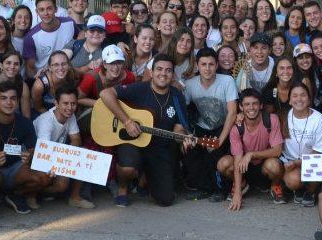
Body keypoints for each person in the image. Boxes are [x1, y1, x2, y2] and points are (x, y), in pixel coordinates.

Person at [99, 54, 195, 207]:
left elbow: (179, 130)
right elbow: (105, 94)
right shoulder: (140, 89)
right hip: (133, 142)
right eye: (159, 69)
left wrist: (183, 139)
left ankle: (145, 178)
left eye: (168, 70)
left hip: (160, 149)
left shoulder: (177, 97)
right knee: (128, 168)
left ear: (173, 74)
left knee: (166, 199)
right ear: (151, 72)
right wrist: (127, 121)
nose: (163, 74)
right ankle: (123, 187)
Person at [182, 48, 238, 200]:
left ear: (217, 65)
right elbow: (184, 111)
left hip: (223, 127)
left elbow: (232, 112)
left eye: (211, 64)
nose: (207, 68)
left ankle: (220, 189)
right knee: (189, 151)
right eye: (203, 64)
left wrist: (220, 140)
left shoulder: (227, 81)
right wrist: (188, 134)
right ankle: (203, 188)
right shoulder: (190, 84)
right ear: (197, 66)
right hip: (201, 127)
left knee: (216, 158)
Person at [218, 88, 285, 207]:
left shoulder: (271, 120)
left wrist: (251, 154)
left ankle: (275, 185)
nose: (251, 108)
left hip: (264, 165)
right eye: (247, 104)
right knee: (223, 164)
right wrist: (237, 193)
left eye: (255, 103)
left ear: (261, 105)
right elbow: (238, 158)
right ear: (241, 107)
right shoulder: (236, 127)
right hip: (244, 166)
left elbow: (277, 150)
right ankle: (240, 184)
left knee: (275, 166)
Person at [0, 82, 45, 214]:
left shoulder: (25, 122)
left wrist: (29, 156)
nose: (9, 102)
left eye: (13, 98)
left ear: (18, 101)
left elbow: (32, 148)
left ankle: (15, 194)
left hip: (16, 168)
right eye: (3, 98)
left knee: (42, 177)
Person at [280, 82, 322, 207]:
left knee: (318, 166)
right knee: (293, 180)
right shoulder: (284, 116)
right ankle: (298, 188)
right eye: (295, 96)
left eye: (303, 95)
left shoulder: (318, 119)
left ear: (309, 99)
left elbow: (318, 151)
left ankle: (311, 191)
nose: (299, 99)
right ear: (289, 100)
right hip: (289, 161)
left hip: (312, 159)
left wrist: (298, 163)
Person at [24, 0, 75, 74]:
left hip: (68, 74)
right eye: (41, 10)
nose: (46, 13)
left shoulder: (70, 23)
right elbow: (30, 68)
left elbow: (81, 39)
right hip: (45, 77)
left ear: (56, 9)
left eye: (49, 8)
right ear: (37, 12)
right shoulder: (31, 37)